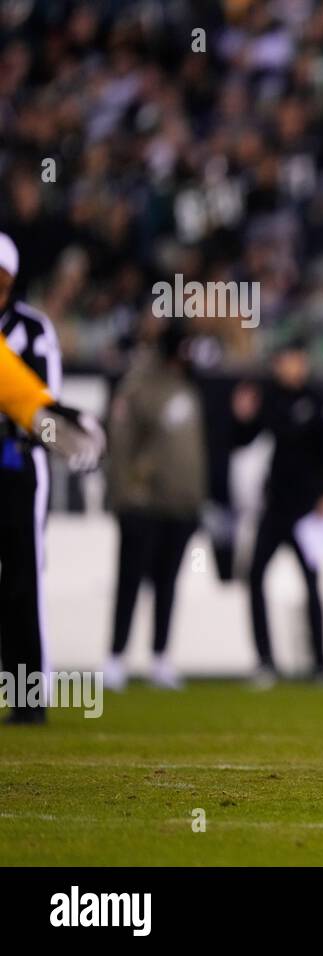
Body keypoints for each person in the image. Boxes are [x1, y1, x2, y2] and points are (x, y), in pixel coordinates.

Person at [0, 232, 100, 725]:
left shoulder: (31, 329)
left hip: (17, 464)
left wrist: (53, 425)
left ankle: (28, 696)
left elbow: (35, 400)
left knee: (21, 580)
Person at [103, 322, 207, 691]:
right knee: (129, 582)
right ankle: (115, 658)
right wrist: (123, 497)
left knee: (167, 584)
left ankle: (160, 657)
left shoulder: (188, 389)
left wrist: (196, 499)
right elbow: (121, 446)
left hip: (180, 505)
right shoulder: (139, 386)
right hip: (143, 504)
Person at [232, 340, 323, 685]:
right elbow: (244, 438)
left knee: (311, 584)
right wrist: (243, 417)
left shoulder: (319, 399)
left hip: (308, 509)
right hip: (276, 505)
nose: (290, 367)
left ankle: (321, 663)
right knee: (254, 578)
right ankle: (265, 661)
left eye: (295, 359)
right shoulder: (269, 397)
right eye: (285, 360)